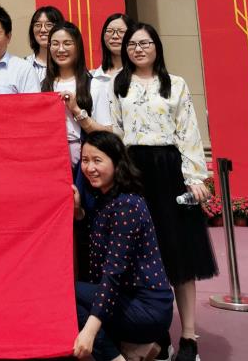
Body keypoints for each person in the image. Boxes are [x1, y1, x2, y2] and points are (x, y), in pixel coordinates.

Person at [110, 23, 217, 361]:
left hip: (169, 171)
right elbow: (116, 132)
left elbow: (188, 132)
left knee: (179, 256)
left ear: (157, 46)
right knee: (141, 258)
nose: (138, 49)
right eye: (132, 44)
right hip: (134, 174)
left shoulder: (176, 84)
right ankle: (157, 334)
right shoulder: (119, 84)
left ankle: (188, 337)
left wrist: (195, 177)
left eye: (145, 43)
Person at [72, 131, 173, 361]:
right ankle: (131, 349)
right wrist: (78, 211)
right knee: (72, 293)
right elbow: (94, 241)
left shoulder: (127, 205)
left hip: (147, 308)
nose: (89, 168)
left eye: (97, 160)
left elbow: (113, 274)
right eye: (85, 160)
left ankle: (117, 356)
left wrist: (89, 332)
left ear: (117, 163)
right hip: (126, 299)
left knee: (68, 296)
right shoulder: (105, 199)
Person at [41, 22, 111, 167]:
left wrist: (76, 110)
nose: (61, 49)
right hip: (50, 157)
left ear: (78, 46)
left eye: (67, 43)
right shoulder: (42, 85)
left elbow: (107, 133)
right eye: (55, 44)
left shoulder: (94, 85)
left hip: (84, 159)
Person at [26, 5, 64, 82]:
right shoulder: (23, 65)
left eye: (49, 25)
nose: (43, 30)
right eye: (37, 25)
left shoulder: (69, 66)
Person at [92, 13, 136, 78]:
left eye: (121, 31)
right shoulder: (93, 76)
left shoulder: (141, 74)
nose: (115, 36)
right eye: (109, 31)